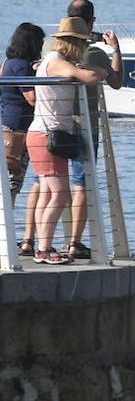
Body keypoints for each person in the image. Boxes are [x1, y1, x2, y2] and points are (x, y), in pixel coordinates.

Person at [25, 18, 106, 265]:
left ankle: (43, 246)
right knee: (59, 194)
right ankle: (43, 249)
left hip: (44, 134)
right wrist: (101, 70)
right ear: (74, 43)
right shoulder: (57, 62)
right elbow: (86, 77)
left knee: (50, 193)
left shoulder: (51, 60)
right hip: (48, 136)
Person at [63, 0, 122, 260]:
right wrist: (116, 50)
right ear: (91, 22)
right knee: (81, 185)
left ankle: (35, 241)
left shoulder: (53, 51)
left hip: (50, 124)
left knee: (47, 184)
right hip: (84, 127)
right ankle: (75, 242)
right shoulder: (95, 53)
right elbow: (117, 81)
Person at [2, 22, 44, 245]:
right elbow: (32, 98)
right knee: (13, 182)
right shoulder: (23, 67)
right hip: (19, 128)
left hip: (7, 123)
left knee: (8, 181)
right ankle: (5, 236)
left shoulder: (8, 62)